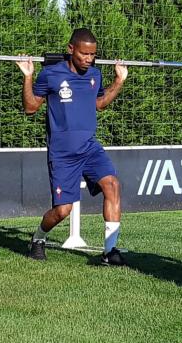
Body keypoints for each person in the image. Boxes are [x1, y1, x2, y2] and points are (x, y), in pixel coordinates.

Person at [16, 28, 128, 264]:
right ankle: (38, 239)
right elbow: (30, 108)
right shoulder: (50, 75)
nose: (88, 59)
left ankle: (110, 252)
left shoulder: (94, 75)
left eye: (92, 55)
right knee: (62, 211)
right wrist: (27, 77)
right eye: (83, 54)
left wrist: (119, 81)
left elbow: (99, 103)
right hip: (63, 154)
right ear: (70, 50)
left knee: (112, 184)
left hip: (89, 147)